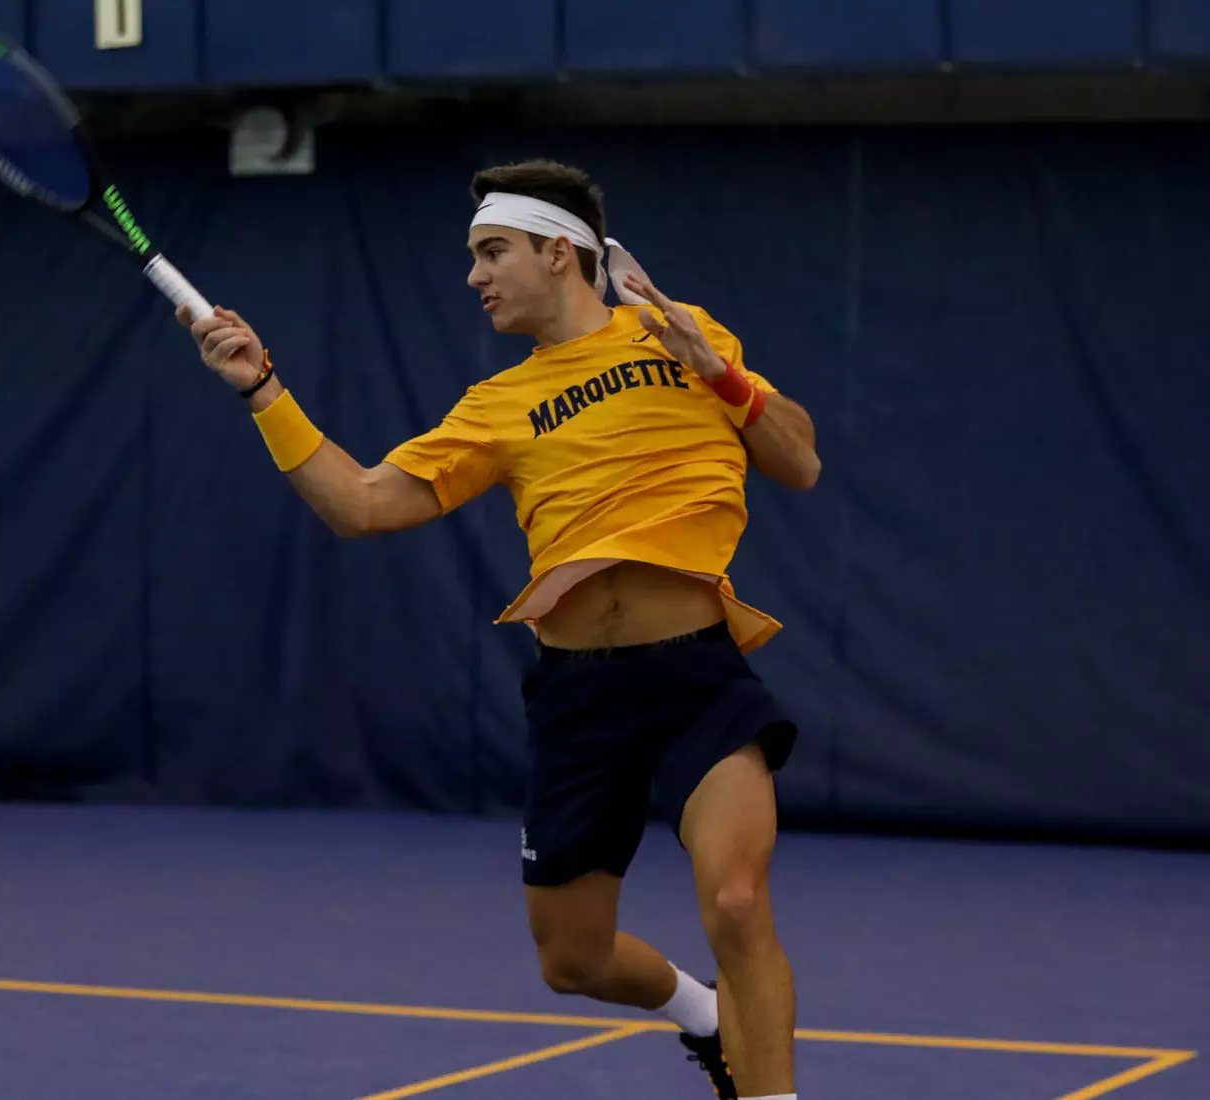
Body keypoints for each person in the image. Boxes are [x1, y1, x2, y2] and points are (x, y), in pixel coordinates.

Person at [179, 159, 821, 1100]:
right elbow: (360, 505)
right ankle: (705, 1017)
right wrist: (262, 389)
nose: (475, 276)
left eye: (493, 252)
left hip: (699, 679)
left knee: (735, 899)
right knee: (573, 958)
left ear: (559, 253)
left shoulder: (678, 337)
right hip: (578, 697)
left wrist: (723, 374)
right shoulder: (497, 406)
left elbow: (798, 462)